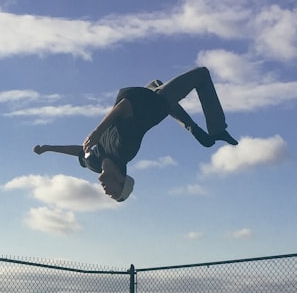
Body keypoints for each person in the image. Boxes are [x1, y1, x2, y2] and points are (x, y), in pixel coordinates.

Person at [33, 66, 238, 202]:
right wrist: (97, 131)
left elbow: (79, 151)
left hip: (144, 99)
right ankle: (217, 128)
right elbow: (125, 106)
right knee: (201, 74)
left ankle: (192, 127)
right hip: (150, 108)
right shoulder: (125, 149)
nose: (106, 192)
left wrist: (48, 149)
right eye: (113, 192)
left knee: (155, 85)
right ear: (121, 179)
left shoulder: (94, 165)